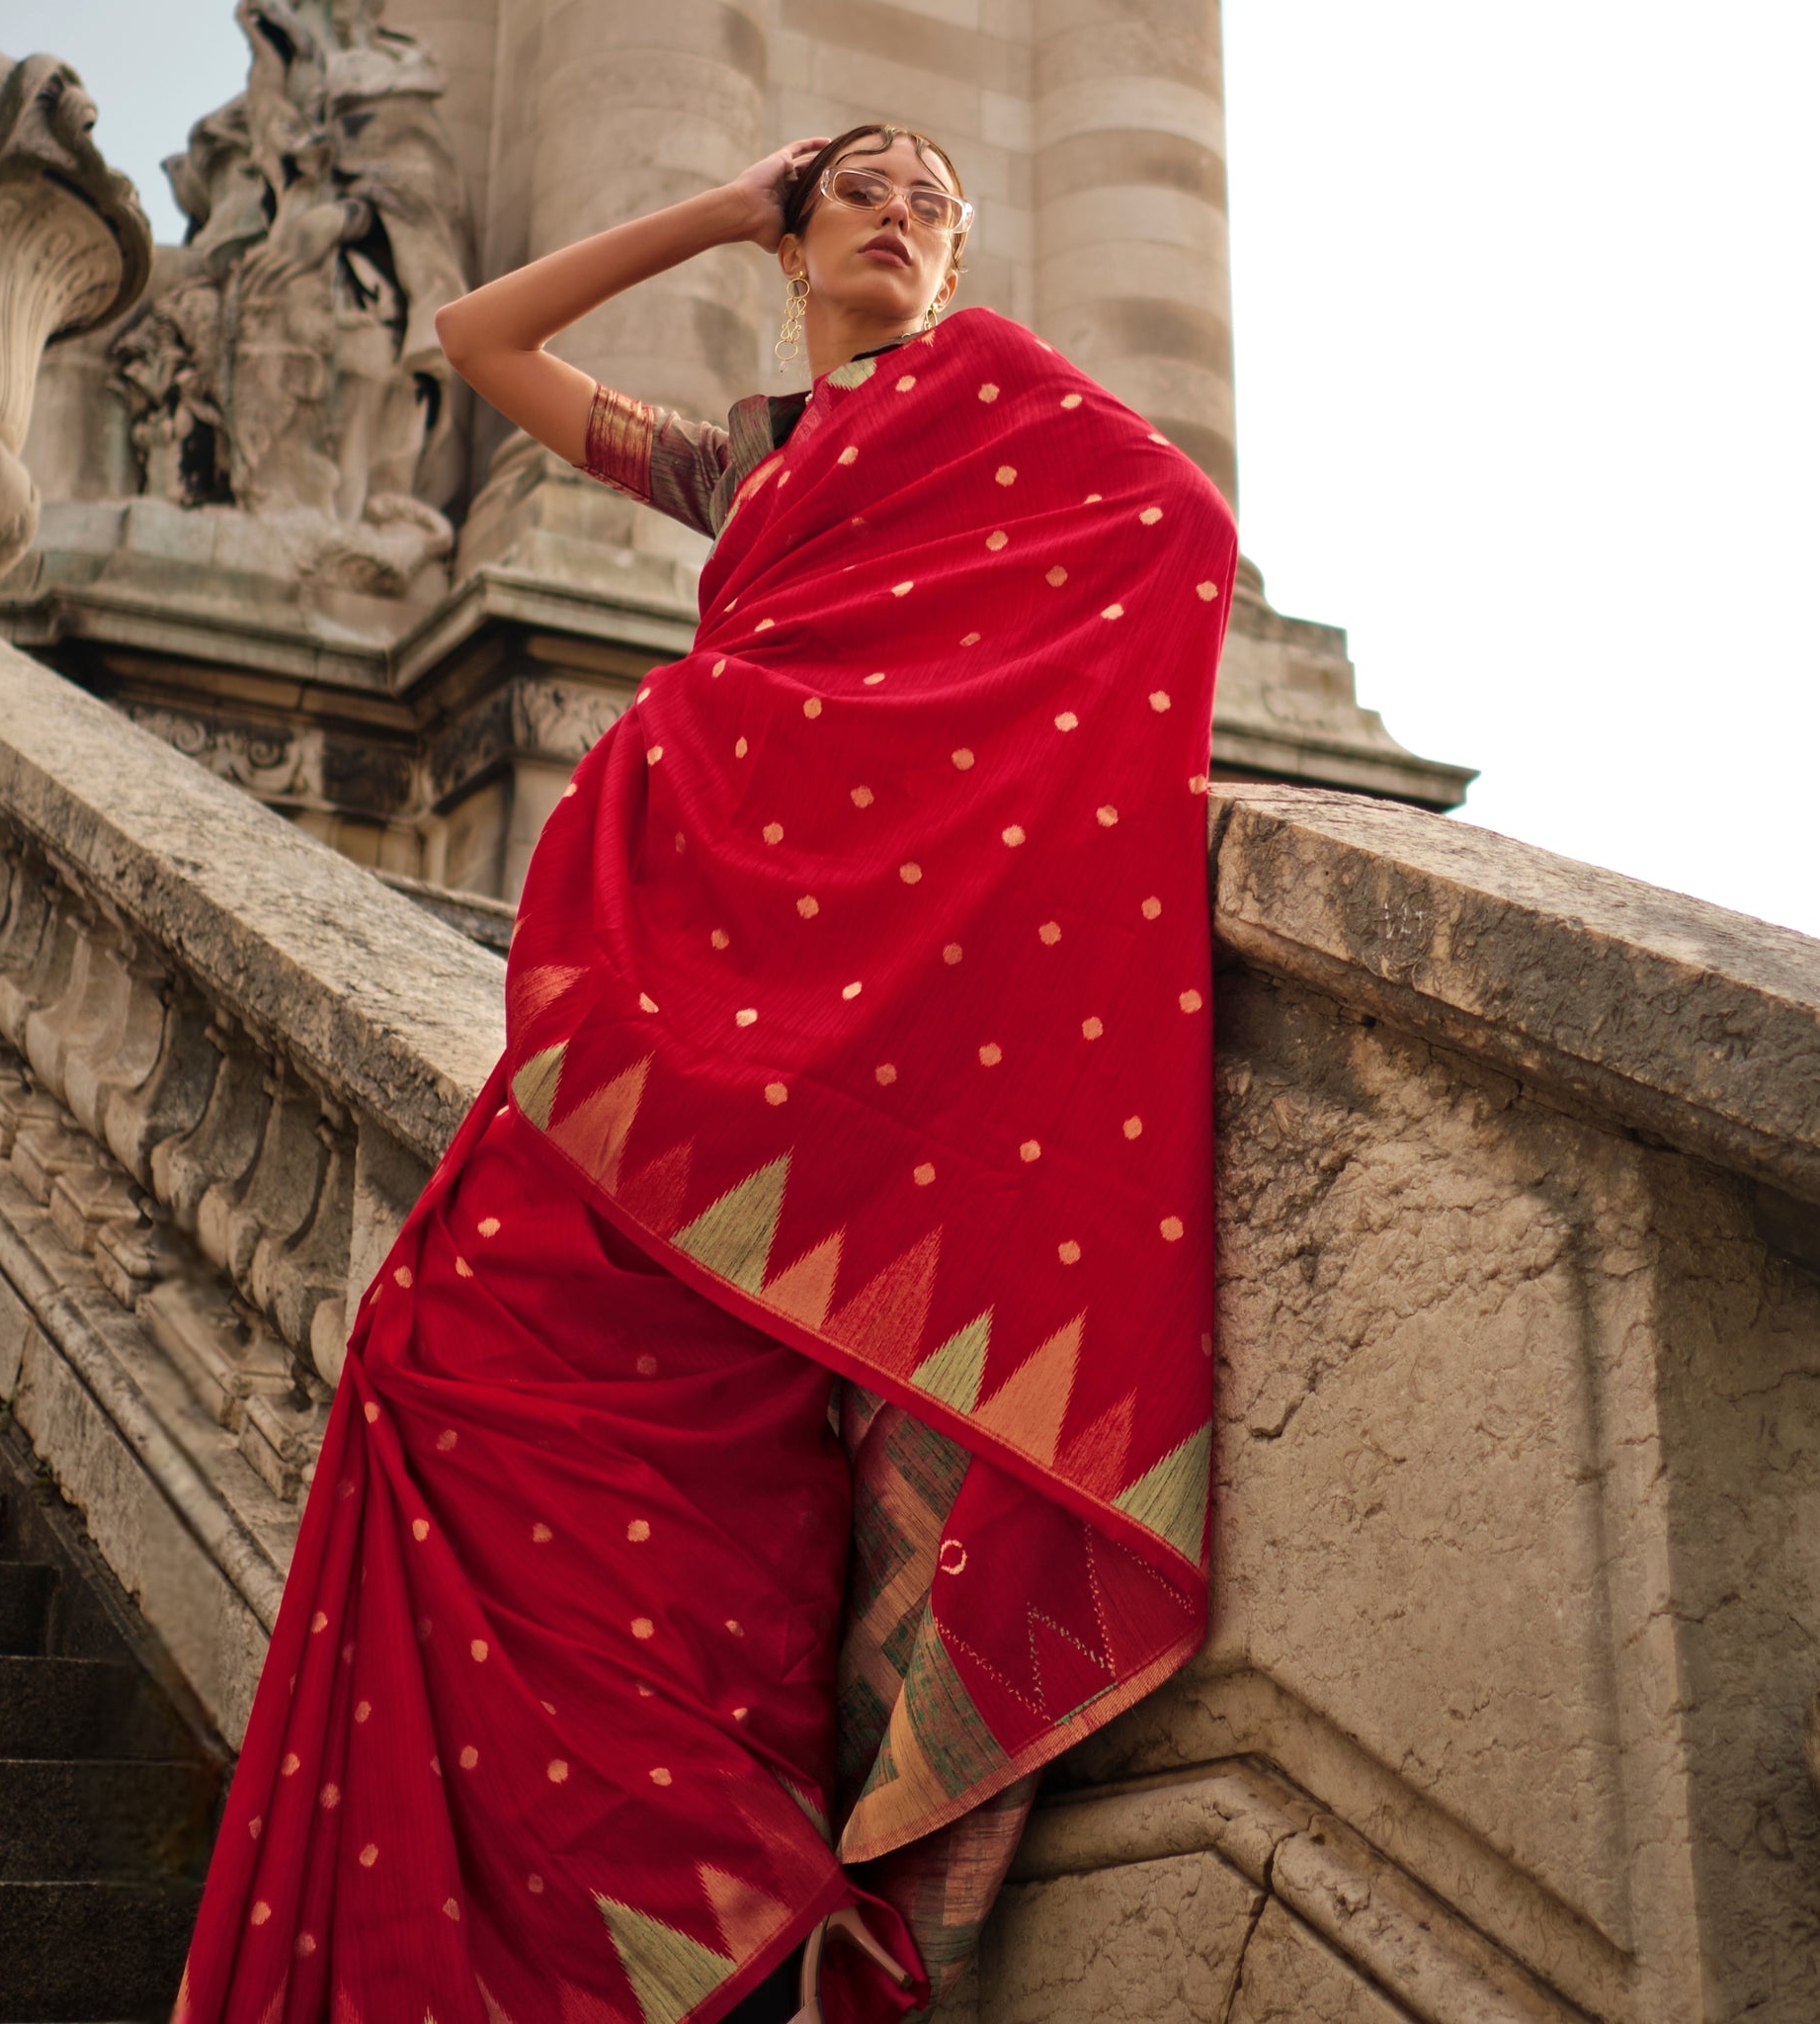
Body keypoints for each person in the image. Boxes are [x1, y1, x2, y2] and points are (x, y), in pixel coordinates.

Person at [175, 125, 1234, 2024]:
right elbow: (479, 338)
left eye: (931, 199)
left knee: (726, 1523)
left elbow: (1177, 531)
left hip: (833, 1031)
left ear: (967, 255)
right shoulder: (736, 458)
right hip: (656, 991)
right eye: (860, 193)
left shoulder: (1004, 414)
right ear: (797, 243)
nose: (898, 215)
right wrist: (718, 205)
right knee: (434, 1365)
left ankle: (734, 1924)